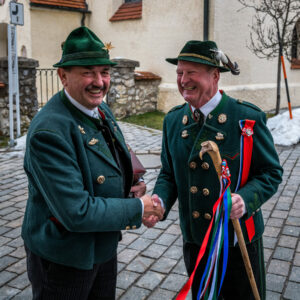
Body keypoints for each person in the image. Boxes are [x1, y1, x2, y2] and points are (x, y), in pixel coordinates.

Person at [22, 26, 164, 299]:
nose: (99, 81)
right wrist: (136, 208)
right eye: (87, 71)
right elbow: (76, 212)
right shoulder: (49, 132)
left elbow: (112, 157)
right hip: (65, 257)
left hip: (102, 245)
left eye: (105, 72)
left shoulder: (99, 108)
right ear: (63, 76)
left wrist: (133, 185)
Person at [151, 40, 283, 300]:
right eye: (179, 72)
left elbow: (271, 173)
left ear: (214, 76)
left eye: (192, 73)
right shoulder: (173, 121)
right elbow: (168, 174)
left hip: (238, 242)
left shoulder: (245, 118)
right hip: (196, 242)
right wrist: (159, 200)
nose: (183, 80)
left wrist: (244, 199)